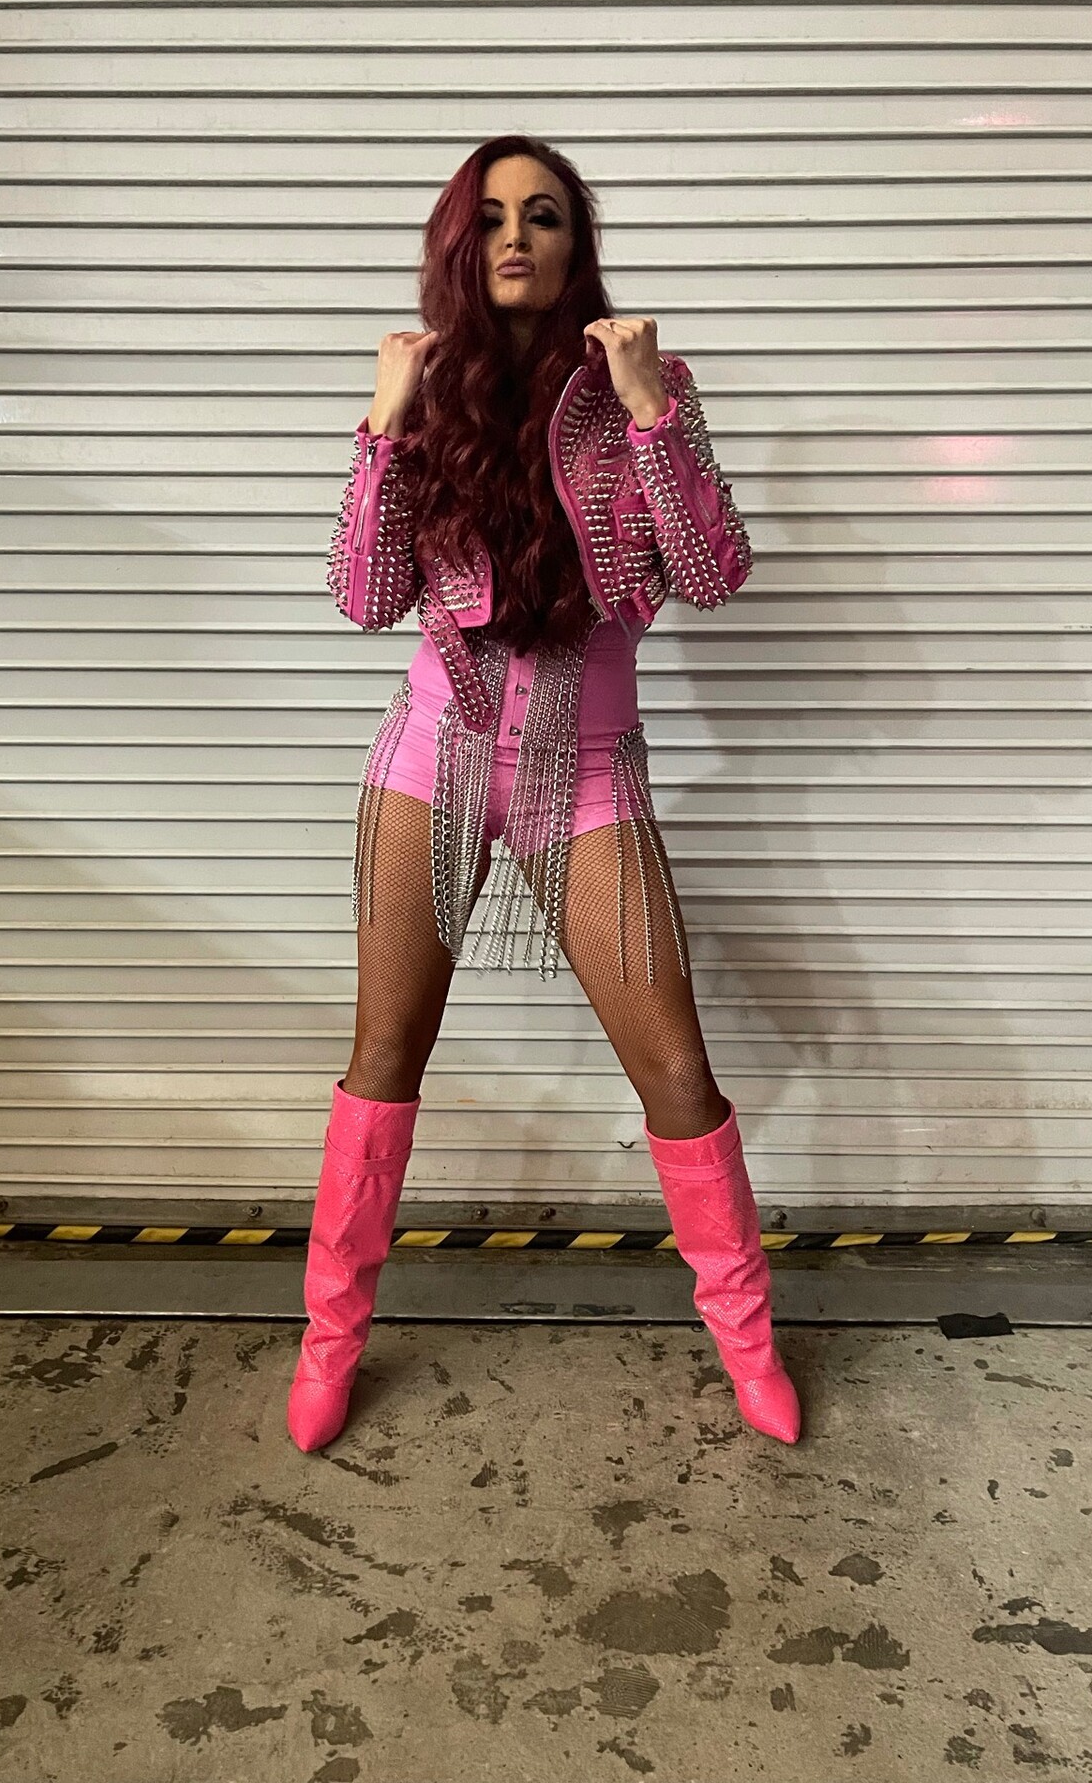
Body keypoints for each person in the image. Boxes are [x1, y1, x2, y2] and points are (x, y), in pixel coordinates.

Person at [286, 134, 800, 1453]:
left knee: (677, 1069)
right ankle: (330, 1343)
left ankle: (749, 1343)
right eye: (495, 217)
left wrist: (653, 412)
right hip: (430, 762)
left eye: (547, 215)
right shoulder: (429, 390)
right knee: (384, 1057)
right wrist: (382, 425)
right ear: (463, 245)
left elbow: (711, 572)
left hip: (588, 774)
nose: (519, 236)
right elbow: (365, 596)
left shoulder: (643, 390)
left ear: (581, 244)